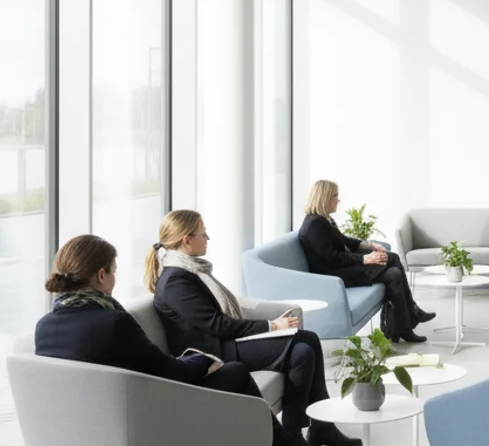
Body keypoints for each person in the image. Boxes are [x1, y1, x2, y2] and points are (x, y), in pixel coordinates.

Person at [35, 235, 306, 446]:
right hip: (147, 412)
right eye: (114, 272)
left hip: (92, 421)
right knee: (235, 372)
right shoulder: (113, 323)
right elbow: (170, 372)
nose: (114, 280)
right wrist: (202, 359)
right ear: (101, 275)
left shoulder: (43, 327)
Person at [148, 210, 360, 446]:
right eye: (203, 233)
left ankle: (316, 429)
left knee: (306, 345)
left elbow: (219, 318)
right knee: (303, 346)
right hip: (212, 352)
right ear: (186, 240)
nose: (207, 237)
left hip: (224, 343)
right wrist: (271, 326)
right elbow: (217, 325)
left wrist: (271, 326)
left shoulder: (190, 272)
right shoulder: (176, 281)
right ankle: (303, 432)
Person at [298, 180, 434, 343]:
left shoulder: (323, 219)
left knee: (394, 273)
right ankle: (409, 317)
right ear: (324, 198)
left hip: (342, 269)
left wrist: (368, 245)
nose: (338, 200)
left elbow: (344, 240)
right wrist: (365, 258)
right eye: (335, 196)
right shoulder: (314, 225)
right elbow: (332, 256)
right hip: (335, 276)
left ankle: (402, 327)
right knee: (394, 260)